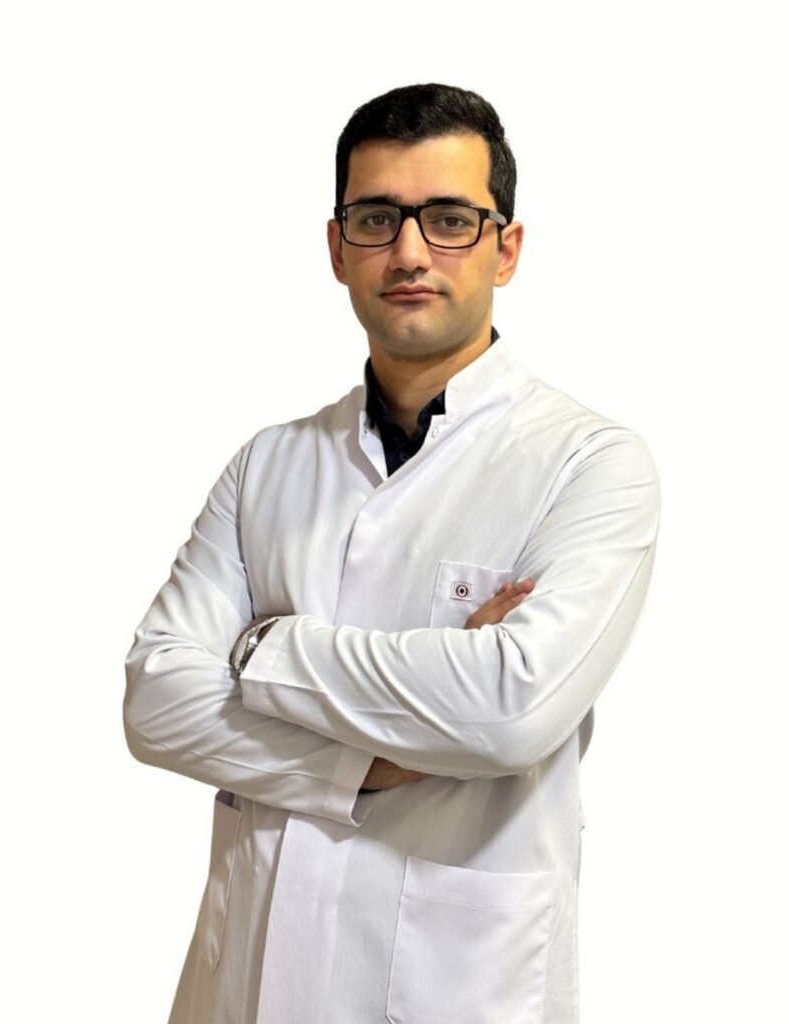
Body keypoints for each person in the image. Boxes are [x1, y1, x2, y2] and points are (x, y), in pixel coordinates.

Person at [124, 82, 660, 1024]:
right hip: (247, 979)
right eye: (376, 219)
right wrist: (366, 767)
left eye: (449, 219)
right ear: (337, 249)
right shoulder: (267, 463)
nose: (409, 252)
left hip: (457, 984)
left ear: (505, 248)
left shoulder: (590, 463)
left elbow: (509, 712)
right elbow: (156, 704)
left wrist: (261, 650)